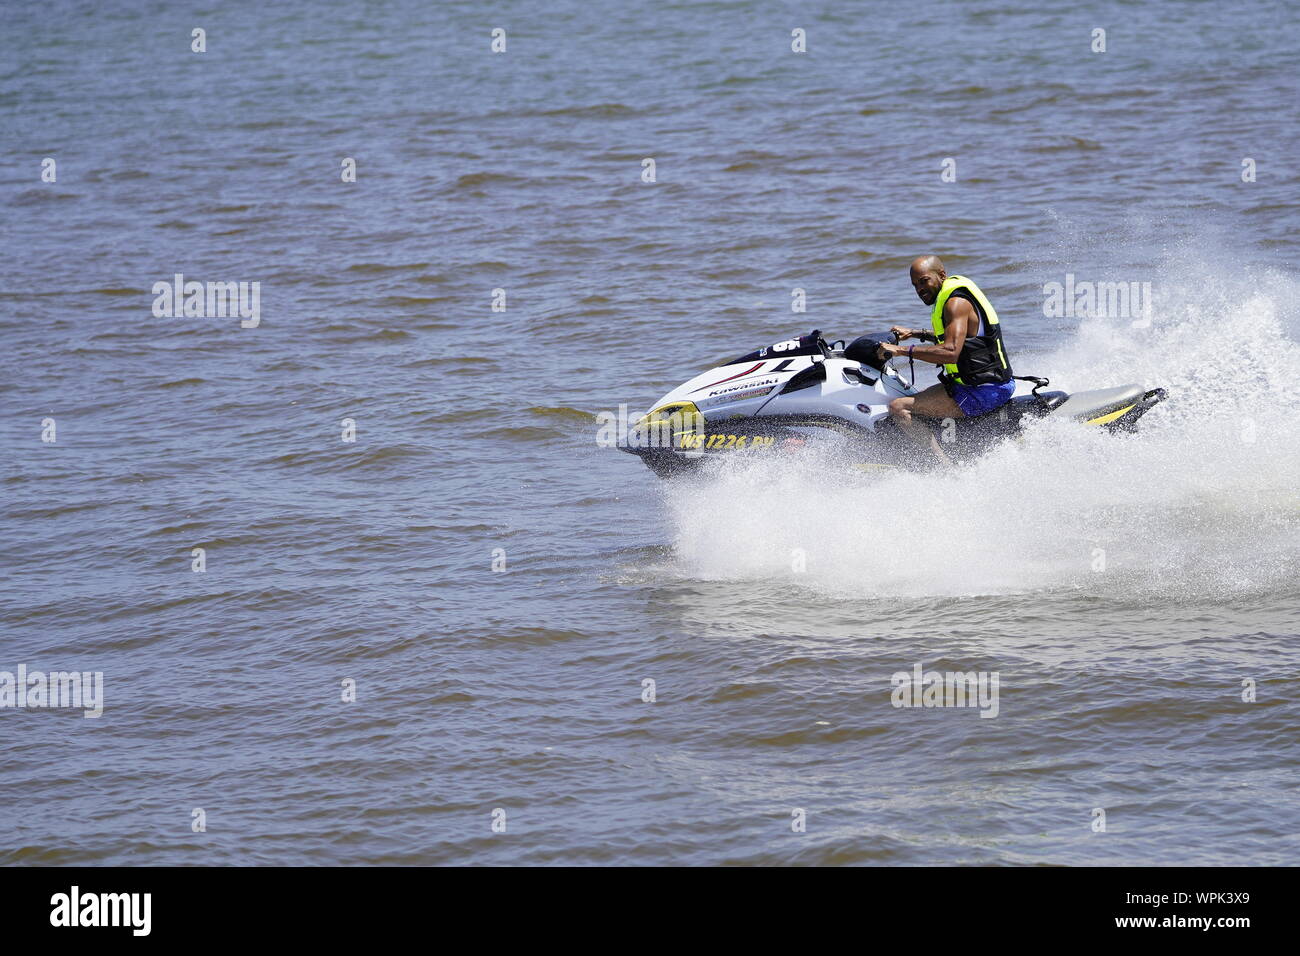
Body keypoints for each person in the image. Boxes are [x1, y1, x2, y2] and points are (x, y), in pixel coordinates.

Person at [876, 255, 1015, 464]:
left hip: (983, 391)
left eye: (924, 281)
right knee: (913, 396)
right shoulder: (952, 298)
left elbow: (950, 351)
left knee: (899, 407)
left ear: (942, 275)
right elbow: (953, 337)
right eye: (915, 285)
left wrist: (900, 350)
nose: (919, 289)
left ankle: (943, 469)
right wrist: (914, 333)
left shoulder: (955, 303)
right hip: (983, 384)